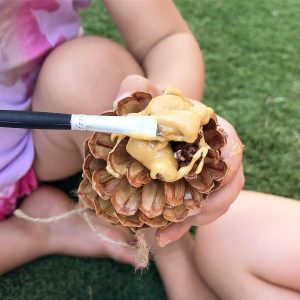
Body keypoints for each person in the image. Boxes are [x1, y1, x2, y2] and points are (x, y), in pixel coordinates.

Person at [0, 0, 243, 275]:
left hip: (32, 144)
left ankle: (169, 245)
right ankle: (36, 234)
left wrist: (179, 116)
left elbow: (165, 39)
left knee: (88, 67)